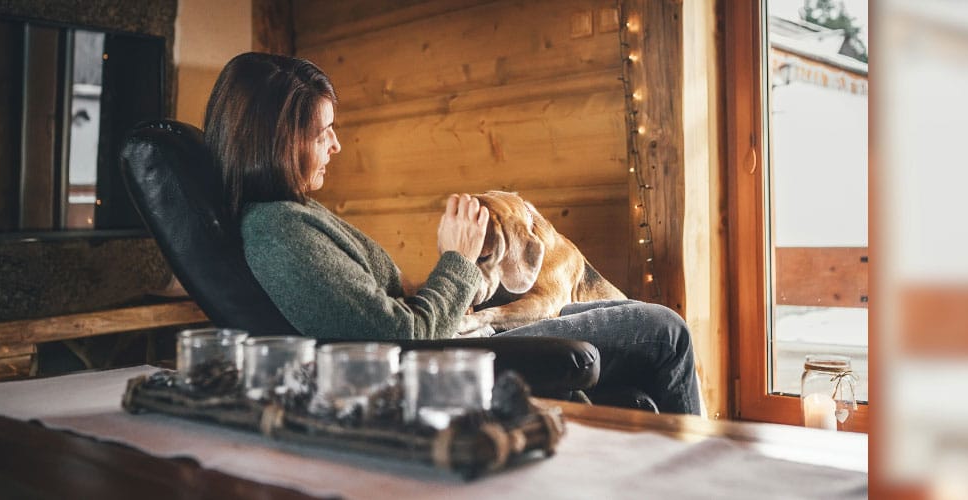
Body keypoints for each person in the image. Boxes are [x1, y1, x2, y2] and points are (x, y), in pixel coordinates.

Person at [203, 52, 700, 415]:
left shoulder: (296, 216)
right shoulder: (279, 233)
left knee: (633, 314)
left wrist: (454, 284)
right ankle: (705, 474)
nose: (336, 145)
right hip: (443, 363)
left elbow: (382, 312)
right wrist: (457, 259)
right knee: (665, 330)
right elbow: (401, 338)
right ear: (277, 141)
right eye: (321, 133)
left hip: (441, 342)